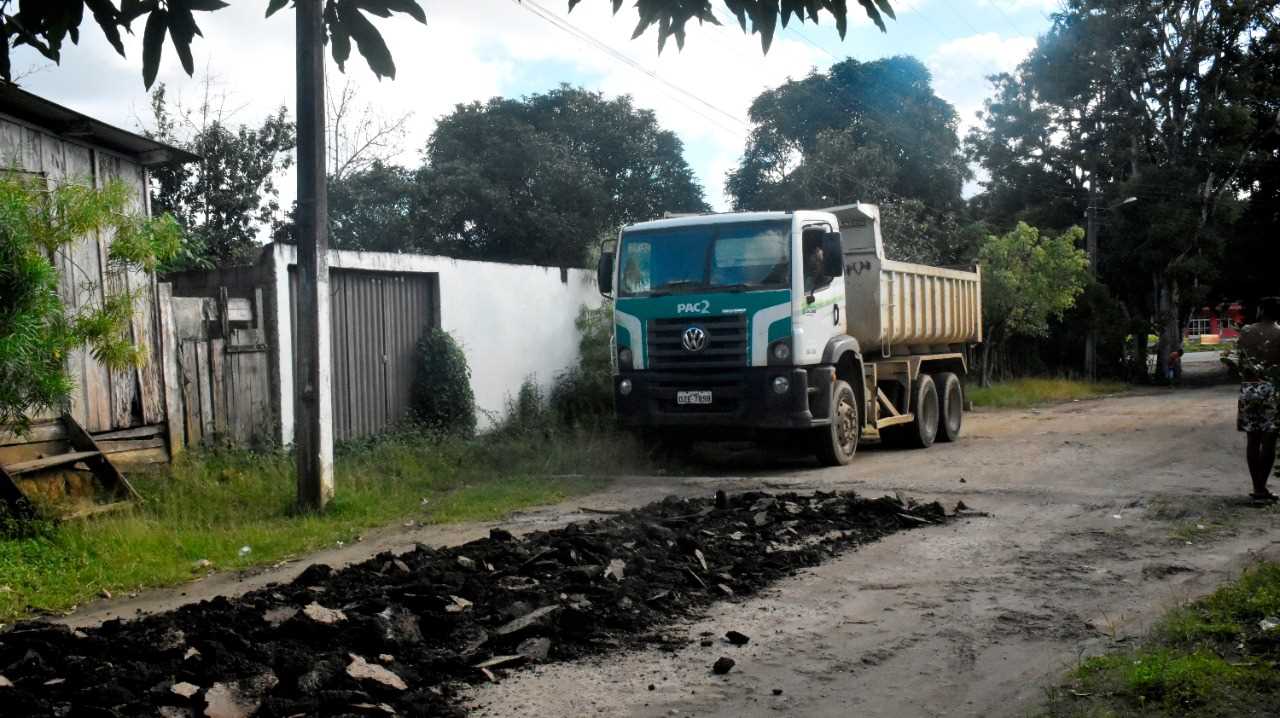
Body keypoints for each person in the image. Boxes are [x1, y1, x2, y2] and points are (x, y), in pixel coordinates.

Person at [1234, 296, 1280, 504]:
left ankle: (1257, 487)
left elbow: (1240, 360)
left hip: (1250, 387)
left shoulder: (1246, 332)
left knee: (1253, 440)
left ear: (1261, 310)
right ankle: (1261, 488)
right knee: (1269, 440)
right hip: (1272, 389)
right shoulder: (1279, 333)